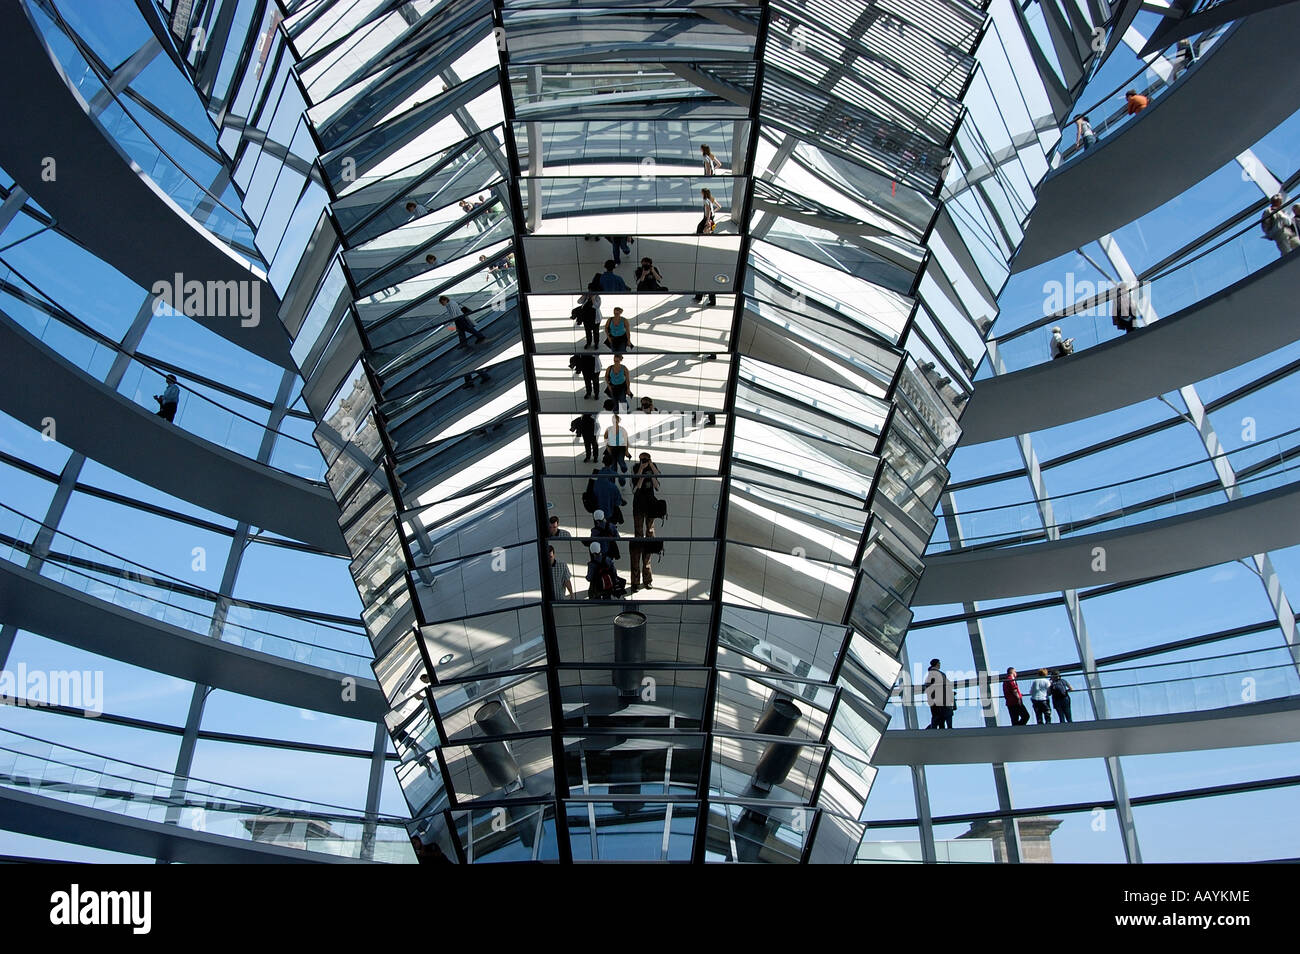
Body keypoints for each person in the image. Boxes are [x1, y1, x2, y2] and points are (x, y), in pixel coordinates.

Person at [629, 452, 662, 592]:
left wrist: (652, 467)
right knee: (638, 539)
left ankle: (647, 579)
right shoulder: (635, 468)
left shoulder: (653, 467)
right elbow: (636, 489)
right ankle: (635, 582)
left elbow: (657, 486)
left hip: (650, 508)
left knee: (649, 536)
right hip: (638, 507)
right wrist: (642, 471)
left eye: (646, 459)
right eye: (642, 459)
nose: (644, 461)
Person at [923, 659, 954, 729]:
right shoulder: (939, 674)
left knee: (938, 717)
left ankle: (934, 729)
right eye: (939, 663)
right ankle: (936, 729)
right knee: (941, 716)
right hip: (941, 699)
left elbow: (929, 688)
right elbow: (946, 686)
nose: (940, 664)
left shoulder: (931, 674)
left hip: (937, 699)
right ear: (937, 664)